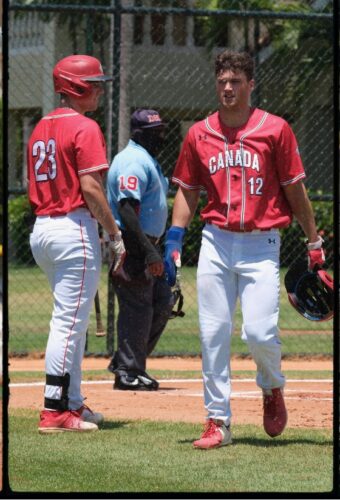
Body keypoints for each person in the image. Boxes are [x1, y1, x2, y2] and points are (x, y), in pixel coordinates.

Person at [164, 49, 325, 450]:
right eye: (222, 82)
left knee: (259, 331)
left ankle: (271, 386)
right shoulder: (199, 133)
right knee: (212, 332)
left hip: (261, 242)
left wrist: (313, 239)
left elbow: (294, 189)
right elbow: (188, 188)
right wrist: (174, 236)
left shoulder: (276, 129)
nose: (228, 88)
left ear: (251, 85)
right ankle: (218, 421)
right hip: (216, 241)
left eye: (236, 81)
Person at [27, 55, 126, 433]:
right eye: (94, 83)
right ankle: (54, 411)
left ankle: (71, 402)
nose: (99, 88)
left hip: (43, 231)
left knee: (74, 322)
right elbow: (91, 188)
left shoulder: (39, 127)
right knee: (68, 323)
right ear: (75, 87)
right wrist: (115, 234)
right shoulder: (85, 127)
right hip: (72, 228)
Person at [106, 109, 174, 391]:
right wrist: (147, 251)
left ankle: (127, 361)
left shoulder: (146, 159)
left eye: (161, 129)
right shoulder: (133, 160)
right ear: (138, 134)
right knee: (138, 306)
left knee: (162, 302)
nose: (160, 135)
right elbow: (126, 209)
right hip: (134, 243)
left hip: (146, 243)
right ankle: (128, 371)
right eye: (153, 131)